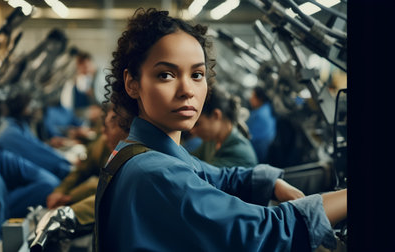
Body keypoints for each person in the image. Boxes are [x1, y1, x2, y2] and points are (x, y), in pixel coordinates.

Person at [94, 8, 347, 252]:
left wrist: (271, 184)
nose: (187, 90)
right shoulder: (154, 172)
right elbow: (263, 232)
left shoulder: (143, 152)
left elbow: (218, 177)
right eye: (166, 75)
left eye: (197, 74)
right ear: (132, 84)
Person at [46, 105, 129, 210]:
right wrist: (59, 192)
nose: (103, 131)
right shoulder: (102, 145)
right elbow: (81, 171)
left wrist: (70, 199)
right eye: (103, 125)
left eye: (110, 125)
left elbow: (107, 190)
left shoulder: (135, 158)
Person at [0, 91, 72, 180]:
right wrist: (65, 161)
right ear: (19, 108)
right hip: (24, 173)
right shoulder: (9, 132)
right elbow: (36, 153)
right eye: (28, 107)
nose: (31, 110)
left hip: (34, 165)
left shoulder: (19, 124)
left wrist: (51, 146)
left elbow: (36, 145)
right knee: (53, 180)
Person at [190, 85, 258, 168]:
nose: (192, 130)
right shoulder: (212, 139)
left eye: (197, 124)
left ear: (216, 115)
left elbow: (200, 174)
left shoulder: (240, 155)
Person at [246, 85, 277, 163]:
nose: (250, 99)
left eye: (253, 96)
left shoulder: (260, 115)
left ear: (259, 98)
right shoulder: (267, 109)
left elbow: (248, 137)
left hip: (255, 155)